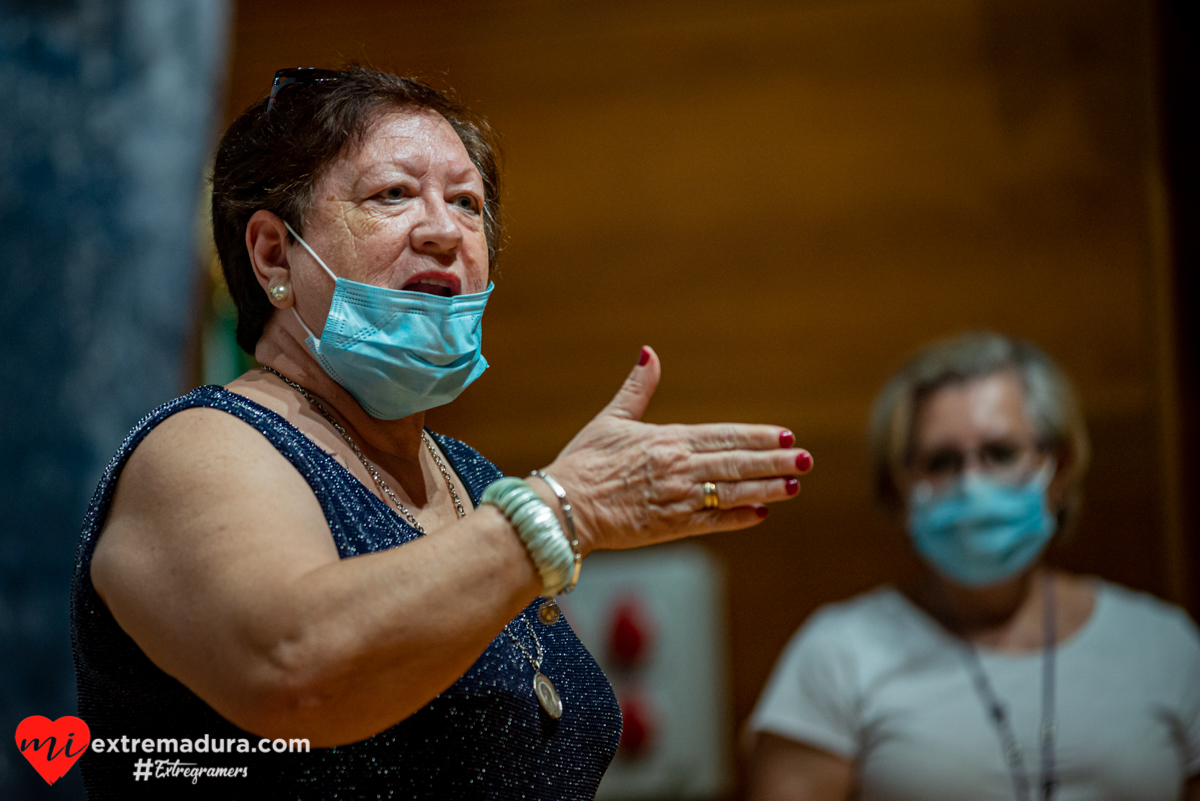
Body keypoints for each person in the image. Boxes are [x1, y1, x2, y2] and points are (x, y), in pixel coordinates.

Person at [70, 66, 813, 799]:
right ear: (273, 254)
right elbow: (293, 672)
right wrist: (563, 511)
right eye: (392, 195)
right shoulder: (202, 445)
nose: (444, 231)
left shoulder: (472, 476)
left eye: (467, 203)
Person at [747, 332, 1200, 801]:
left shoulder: (1164, 647)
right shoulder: (838, 655)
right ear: (899, 486)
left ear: (1059, 468)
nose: (972, 484)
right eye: (941, 462)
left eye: (1001, 453)